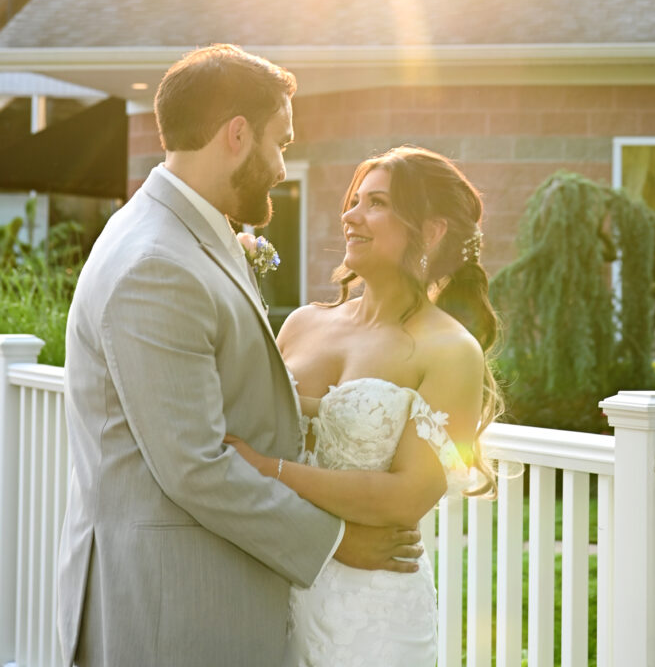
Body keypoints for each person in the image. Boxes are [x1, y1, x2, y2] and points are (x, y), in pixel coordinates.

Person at [57, 44, 421, 667]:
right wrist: (337, 541)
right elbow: (194, 465)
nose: (282, 166)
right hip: (172, 606)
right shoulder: (156, 266)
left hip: (195, 587)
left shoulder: (177, 231)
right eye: (280, 142)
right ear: (236, 134)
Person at [227, 144, 501, 666]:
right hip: (274, 581)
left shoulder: (449, 351)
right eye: (354, 200)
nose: (350, 215)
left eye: (375, 203)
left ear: (433, 230)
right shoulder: (303, 324)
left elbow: (406, 498)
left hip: (371, 609)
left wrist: (270, 469)